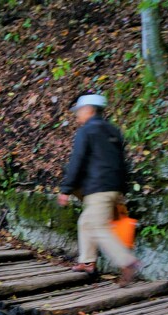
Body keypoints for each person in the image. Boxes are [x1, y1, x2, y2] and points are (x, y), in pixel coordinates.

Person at [57, 93, 140, 283]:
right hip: (114, 188)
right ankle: (87, 263)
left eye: (79, 111)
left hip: (98, 188)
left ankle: (127, 262)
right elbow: (123, 162)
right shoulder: (113, 130)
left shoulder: (87, 131)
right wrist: (122, 189)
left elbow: (77, 161)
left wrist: (66, 189)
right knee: (86, 222)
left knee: (97, 226)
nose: (77, 115)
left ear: (89, 110)